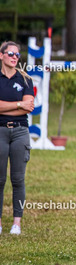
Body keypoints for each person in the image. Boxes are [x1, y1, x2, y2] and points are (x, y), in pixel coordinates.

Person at [0, 42, 34, 235]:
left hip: (21, 132)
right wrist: (19, 104)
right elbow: (23, 105)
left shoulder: (25, 79)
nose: (14, 57)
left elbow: (29, 106)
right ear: (1, 55)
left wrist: (7, 106)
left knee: (18, 179)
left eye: (17, 55)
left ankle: (16, 223)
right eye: (11, 53)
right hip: (0, 131)